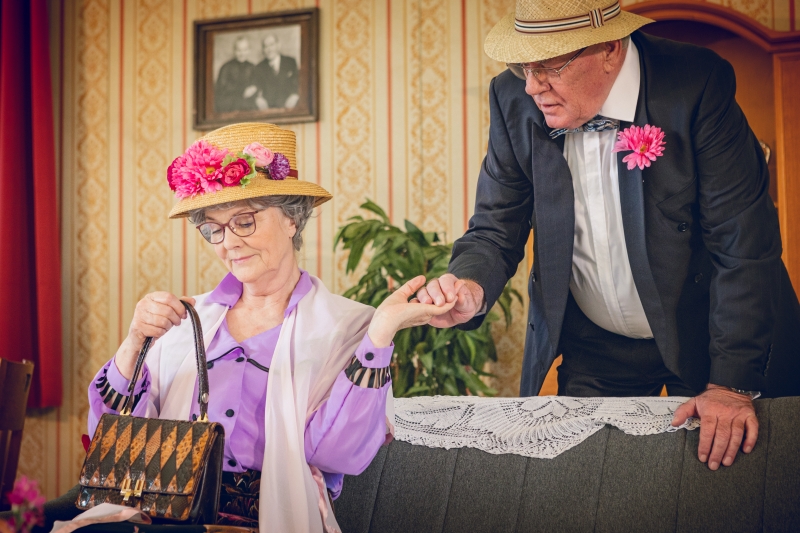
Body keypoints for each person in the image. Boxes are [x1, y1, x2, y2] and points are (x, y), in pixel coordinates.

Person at [417, 0, 800, 475]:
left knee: (729, 486)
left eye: (549, 65)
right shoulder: (512, 97)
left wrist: (730, 384)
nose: (533, 84)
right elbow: (496, 226)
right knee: (584, 484)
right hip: (596, 342)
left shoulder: (697, 83)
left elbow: (742, 241)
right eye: (523, 64)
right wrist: (469, 286)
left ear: (610, 50)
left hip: (709, 329)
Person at [28, 123, 458, 533]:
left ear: (293, 219)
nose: (228, 243)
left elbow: (336, 452)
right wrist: (134, 340)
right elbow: (112, 437)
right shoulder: (185, 319)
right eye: (212, 229)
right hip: (161, 515)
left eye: (245, 220)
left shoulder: (349, 326)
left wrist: (380, 333)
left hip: (267, 519)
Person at [254, 34, 299, 110]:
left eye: (271, 45)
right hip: (268, 109)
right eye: (265, 46)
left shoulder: (290, 62)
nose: (269, 49)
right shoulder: (259, 67)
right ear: (263, 50)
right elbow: (256, 87)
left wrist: (295, 95)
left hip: (290, 107)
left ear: (278, 45)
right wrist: (258, 99)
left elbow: (298, 82)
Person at [214, 36, 258, 113]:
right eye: (239, 50)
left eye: (245, 50)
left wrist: (254, 89)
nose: (242, 53)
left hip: (249, 105)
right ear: (234, 51)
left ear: (249, 50)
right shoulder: (226, 67)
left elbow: (257, 84)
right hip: (230, 105)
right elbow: (221, 89)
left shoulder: (252, 67)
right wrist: (242, 91)